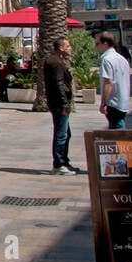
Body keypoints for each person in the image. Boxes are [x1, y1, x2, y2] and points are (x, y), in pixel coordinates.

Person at [44, 37, 79, 175]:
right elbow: (59, 84)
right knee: (61, 134)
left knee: (65, 133)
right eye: (68, 46)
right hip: (59, 103)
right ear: (61, 48)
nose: (70, 48)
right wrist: (65, 104)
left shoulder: (57, 61)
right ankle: (59, 164)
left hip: (58, 102)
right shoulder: (55, 63)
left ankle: (64, 161)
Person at [97, 31, 131, 130]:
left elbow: (108, 82)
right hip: (122, 100)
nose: (96, 47)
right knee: (118, 125)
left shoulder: (107, 59)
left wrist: (104, 103)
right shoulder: (122, 59)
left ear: (105, 43)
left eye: (97, 44)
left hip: (113, 102)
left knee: (117, 129)